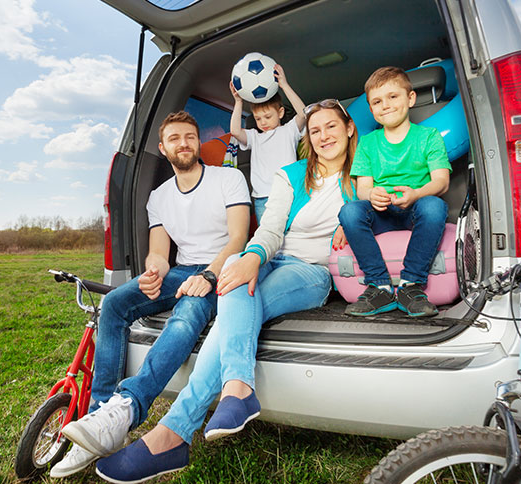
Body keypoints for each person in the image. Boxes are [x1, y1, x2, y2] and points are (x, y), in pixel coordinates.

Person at [93, 99, 358, 484]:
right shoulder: (291, 175)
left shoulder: (363, 176)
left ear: (350, 129)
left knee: (236, 311)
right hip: (271, 256)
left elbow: (373, 214)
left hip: (312, 271)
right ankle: (235, 387)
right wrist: (252, 255)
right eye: (315, 130)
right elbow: (269, 229)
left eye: (331, 127)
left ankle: (175, 431)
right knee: (235, 272)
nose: (323, 137)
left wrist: (354, 218)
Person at [49, 111, 250, 478]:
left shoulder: (228, 178)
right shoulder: (158, 197)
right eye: (175, 138)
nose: (184, 143)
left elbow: (238, 238)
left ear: (198, 142)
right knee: (114, 303)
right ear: (163, 148)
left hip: (224, 271)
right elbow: (159, 250)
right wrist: (154, 270)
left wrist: (208, 275)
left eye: (190, 136)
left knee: (187, 313)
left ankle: (128, 406)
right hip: (181, 271)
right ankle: (100, 420)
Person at [338, 66, 451, 318]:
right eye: (377, 101)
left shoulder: (428, 136)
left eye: (393, 97)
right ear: (370, 109)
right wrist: (372, 195)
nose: (385, 105)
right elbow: (363, 188)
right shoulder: (368, 143)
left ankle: (410, 286)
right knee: (349, 212)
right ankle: (379, 287)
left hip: (416, 208)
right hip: (382, 212)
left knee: (434, 206)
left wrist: (416, 194)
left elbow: (441, 182)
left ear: (410, 99)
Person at [230, 63, 307, 223]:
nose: (263, 122)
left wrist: (284, 85)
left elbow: (303, 113)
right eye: (258, 118)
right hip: (262, 198)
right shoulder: (254, 137)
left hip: (288, 193)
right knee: (269, 241)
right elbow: (235, 131)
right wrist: (238, 102)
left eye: (267, 117)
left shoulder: (289, 130)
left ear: (280, 113)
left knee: (292, 235)